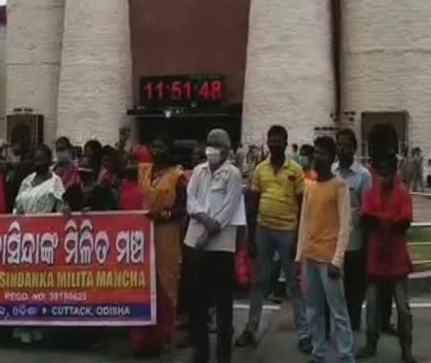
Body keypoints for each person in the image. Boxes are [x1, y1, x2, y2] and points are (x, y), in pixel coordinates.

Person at [237, 125, 310, 353]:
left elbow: (302, 207)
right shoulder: (259, 170)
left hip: (288, 232)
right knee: (258, 281)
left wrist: (298, 239)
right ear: (267, 143)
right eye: (271, 140)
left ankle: (305, 334)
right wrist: (250, 238)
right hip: (263, 230)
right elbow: (252, 204)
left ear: (286, 142)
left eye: (279, 140)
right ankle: (251, 329)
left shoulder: (296, 170)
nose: (274, 143)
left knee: (294, 284)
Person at [357, 124, 417, 363]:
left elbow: (405, 224)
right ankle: (371, 344)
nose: (384, 171)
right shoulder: (372, 192)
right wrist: (390, 221)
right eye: (381, 167)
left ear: (394, 169)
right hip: (376, 259)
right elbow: (367, 220)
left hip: (397, 262)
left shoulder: (403, 193)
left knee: (403, 309)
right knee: (371, 307)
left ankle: (407, 350)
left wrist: (381, 221)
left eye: (388, 168)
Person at [184, 129, 245, 363]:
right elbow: (191, 200)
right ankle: (200, 354)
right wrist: (204, 219)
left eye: (217, 145)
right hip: (195, 243)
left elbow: (228, 211)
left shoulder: (234, 175)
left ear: (227, 150)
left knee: (223, 306)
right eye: (210, 143)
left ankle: (223, 357)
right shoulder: (198, 172)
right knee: (197, 304)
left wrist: (208, 231)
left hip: (221, 247)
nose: (212, 148)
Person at [295, 135, 354, 363]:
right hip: (310, 256)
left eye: (321, 153)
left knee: (338, 312)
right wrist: (299, 256)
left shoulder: (339, 186)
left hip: (329, 260)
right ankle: (318, 354)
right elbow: (304, 223)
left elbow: (345, 226)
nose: (316, 157)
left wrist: (337, 261)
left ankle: (346, 356)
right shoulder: (310, 186)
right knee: (313, 311)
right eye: (315, 153)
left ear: (331, 158)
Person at [130, 136, 187, 357]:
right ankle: (143, 341)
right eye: (154, 145)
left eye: (161, 145)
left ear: (168, 149)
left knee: (165, 286)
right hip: (142, 236)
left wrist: (163, 215)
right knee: (143, 286)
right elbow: (115, 167)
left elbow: (184, 207)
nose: (157, 149)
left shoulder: (177, 176)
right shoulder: (142, 170)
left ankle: (164, 340)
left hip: (166, 236)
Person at [13, 144, 66, 344]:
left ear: (49, 160)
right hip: (24, 240)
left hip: (45, 240)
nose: (39, 162)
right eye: (35, 159)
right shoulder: (26, 181)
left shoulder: (55, 181)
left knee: (40, 286)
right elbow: (17, 207)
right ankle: (22, 325)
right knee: (23, 285)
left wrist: (66, 209)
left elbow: (61, 207)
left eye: (42, 159)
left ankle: (39, 325)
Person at [334, 128, 371, 332]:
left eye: (346, 144)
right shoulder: (331, 172)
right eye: (339, 144)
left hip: (355, 242)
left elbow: (367, 211)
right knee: (335, 288)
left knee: (355, 288)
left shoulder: (363, 176)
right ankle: (339, 325)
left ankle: (354, 322)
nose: (342, 148)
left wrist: (366, 242)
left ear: (354, 148)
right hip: (333, 242)